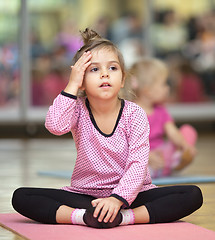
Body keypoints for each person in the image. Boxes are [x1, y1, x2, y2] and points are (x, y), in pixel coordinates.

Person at [12, 29, 203, 229]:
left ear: (122, 80)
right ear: (82, 81)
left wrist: (116, 200)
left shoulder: (135, 114)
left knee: (191, 195)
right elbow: (55, 126)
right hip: (86, 196)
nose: (104, 74)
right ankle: (83, 217)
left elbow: (138, 165)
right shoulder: (76, 108)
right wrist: (72, 84)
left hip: (131, 196)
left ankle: (123, 217)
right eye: (94, 70)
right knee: (22, 196)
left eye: (112, 68)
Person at [129, 58, 198, 178]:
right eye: (164, 84)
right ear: (148, 91)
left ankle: (176, 159)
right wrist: (148, 156)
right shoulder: (130, 110)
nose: (167, 88)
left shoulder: (161, 110)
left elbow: (173, 132)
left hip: (162, 153)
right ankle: (162, 167)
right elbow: (127, 143)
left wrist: (184, 145)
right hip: (142, 157)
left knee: (188, 130)